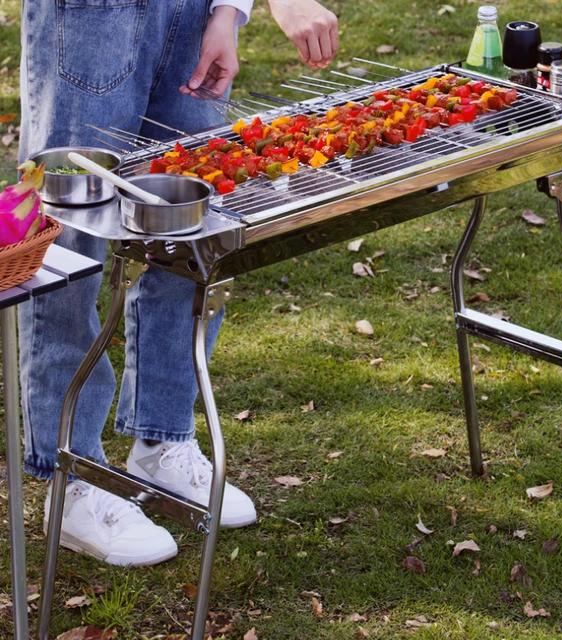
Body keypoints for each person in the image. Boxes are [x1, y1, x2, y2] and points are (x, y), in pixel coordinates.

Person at [19, 0, 338, 566]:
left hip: (191, 13)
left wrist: (227, 12)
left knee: (193, 220)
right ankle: (72, 476)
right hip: (92, 16)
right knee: (67, 232)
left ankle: (161, 439)